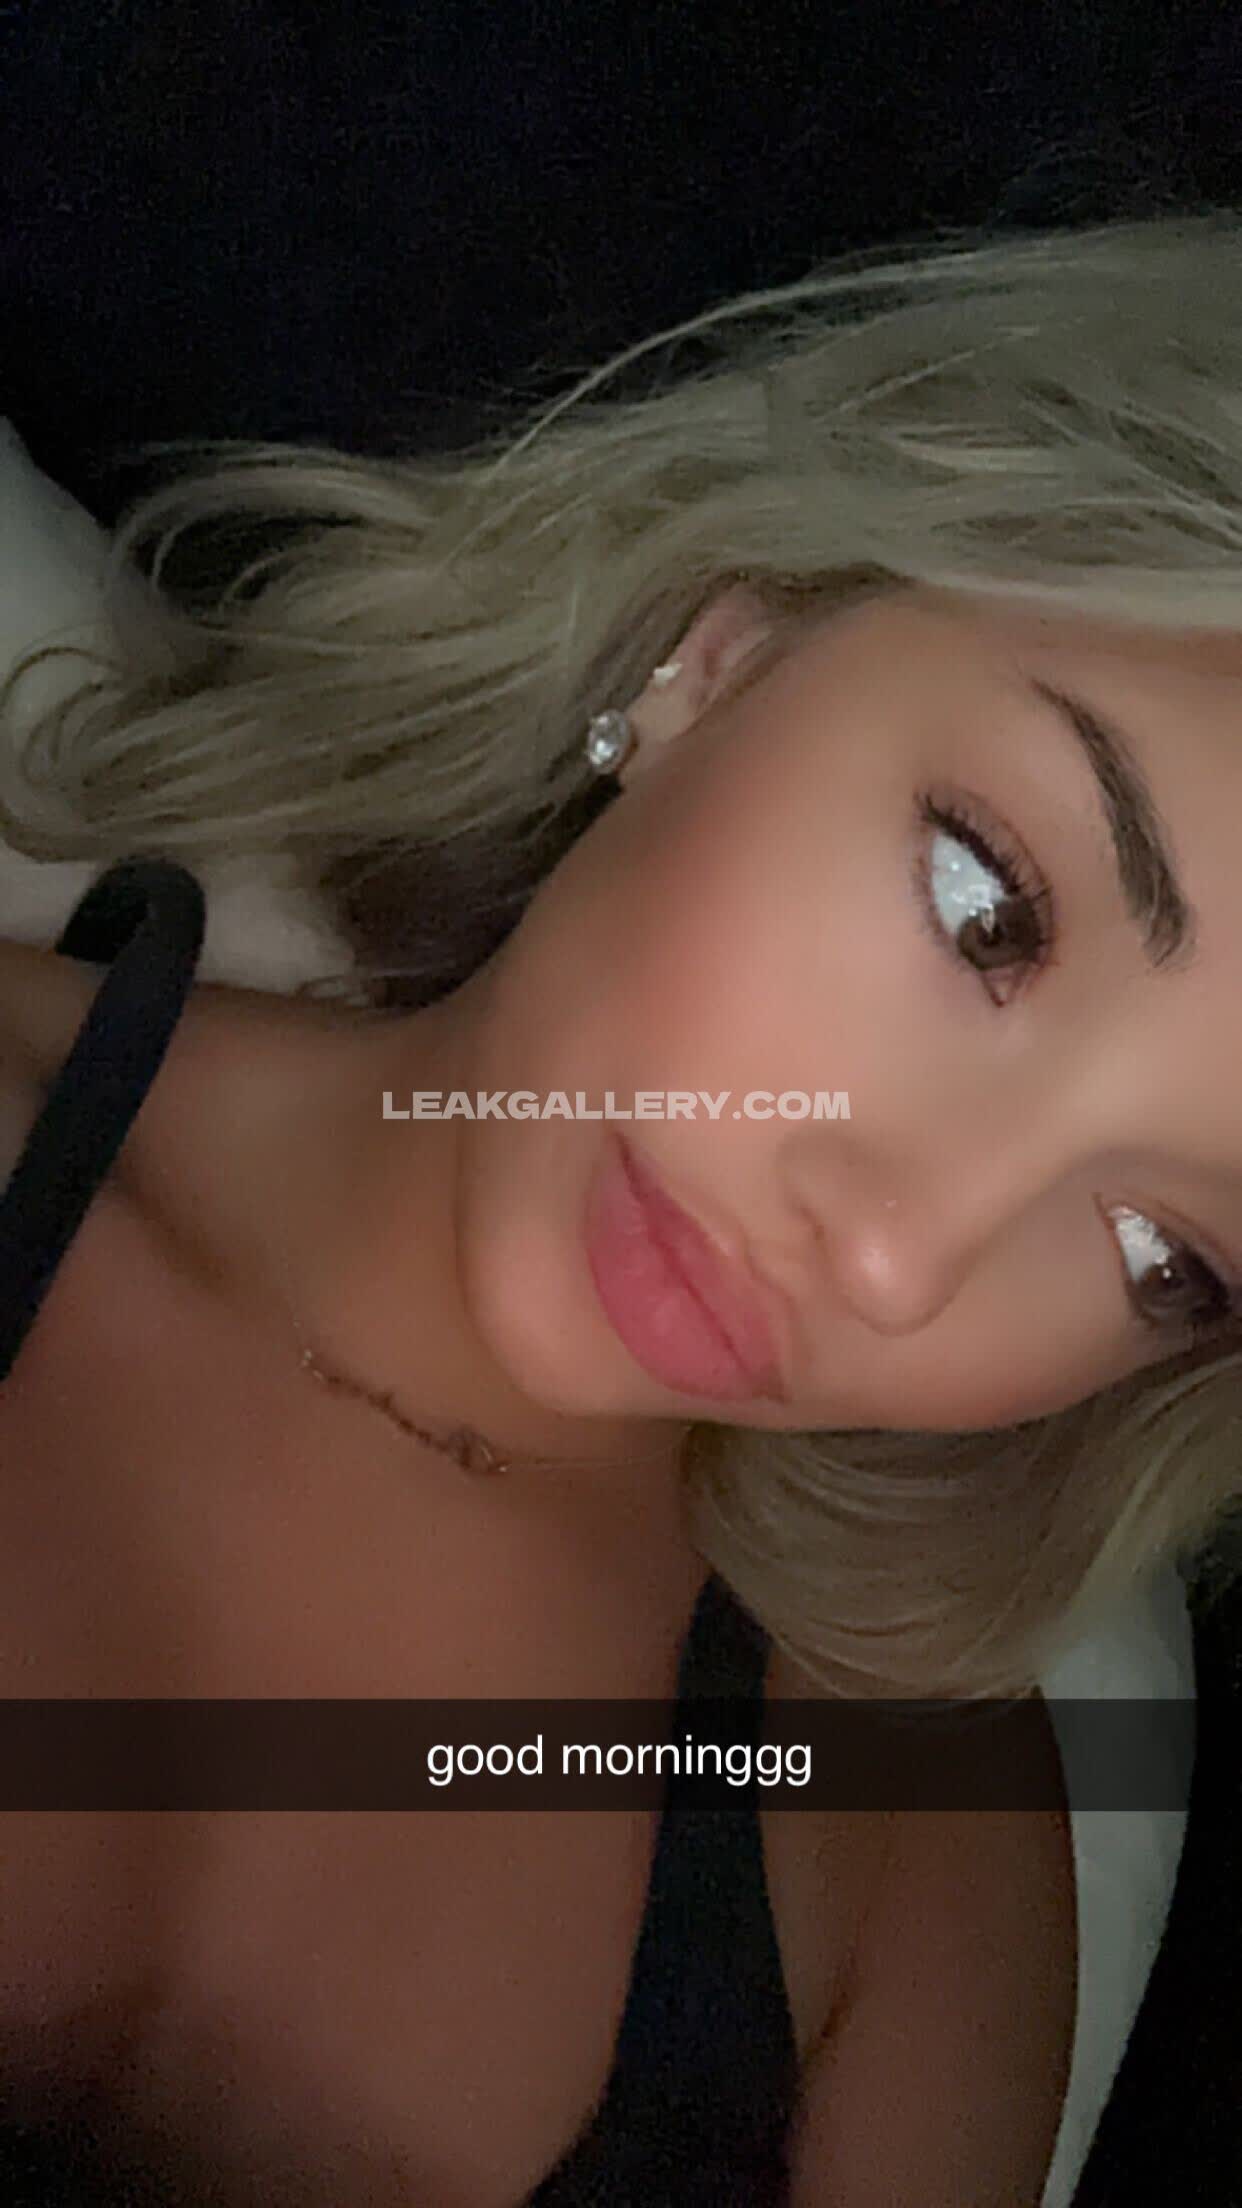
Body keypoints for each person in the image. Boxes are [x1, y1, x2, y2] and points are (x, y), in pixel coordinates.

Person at [0, 205, 1240, 2205]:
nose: (896, 1255)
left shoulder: (902, 1842)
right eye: (981, 906)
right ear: (722, 651)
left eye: (1165, 1256)